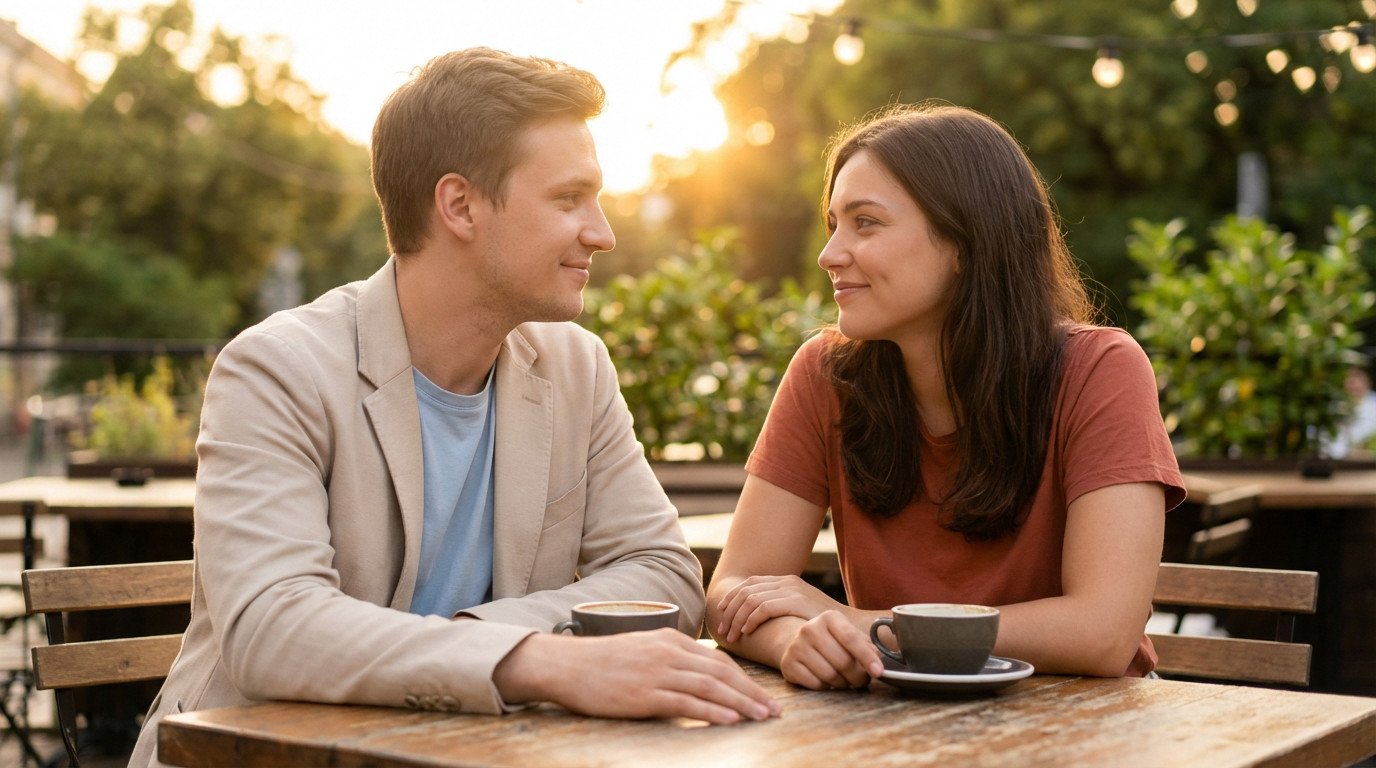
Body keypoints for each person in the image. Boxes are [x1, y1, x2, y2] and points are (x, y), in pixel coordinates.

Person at [130, 47, 778, 766]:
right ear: (460, 206)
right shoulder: (276, 369)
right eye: (569, 199)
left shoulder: (574, 366)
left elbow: (661, 572)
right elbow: (272, 630)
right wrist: (534, 660)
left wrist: (483, 638)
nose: (602, 232)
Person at [707, 103, 1186, 690]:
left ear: (964, 241)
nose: (829, 254)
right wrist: (793, 641)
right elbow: (733, 592)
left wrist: (863, 624)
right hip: (894, 730)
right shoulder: (824, 376)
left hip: (1082, 729)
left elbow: (1103, 632)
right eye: (834, 223)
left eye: (866, 223)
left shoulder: (1099, 370)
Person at [1321, 364, 1376, 458]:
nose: (1354, 383)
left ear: (1367, 381)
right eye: (1350, 379)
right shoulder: (1333, 405)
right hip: (1336, 457)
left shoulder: (1373, 403)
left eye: (1358, 378)